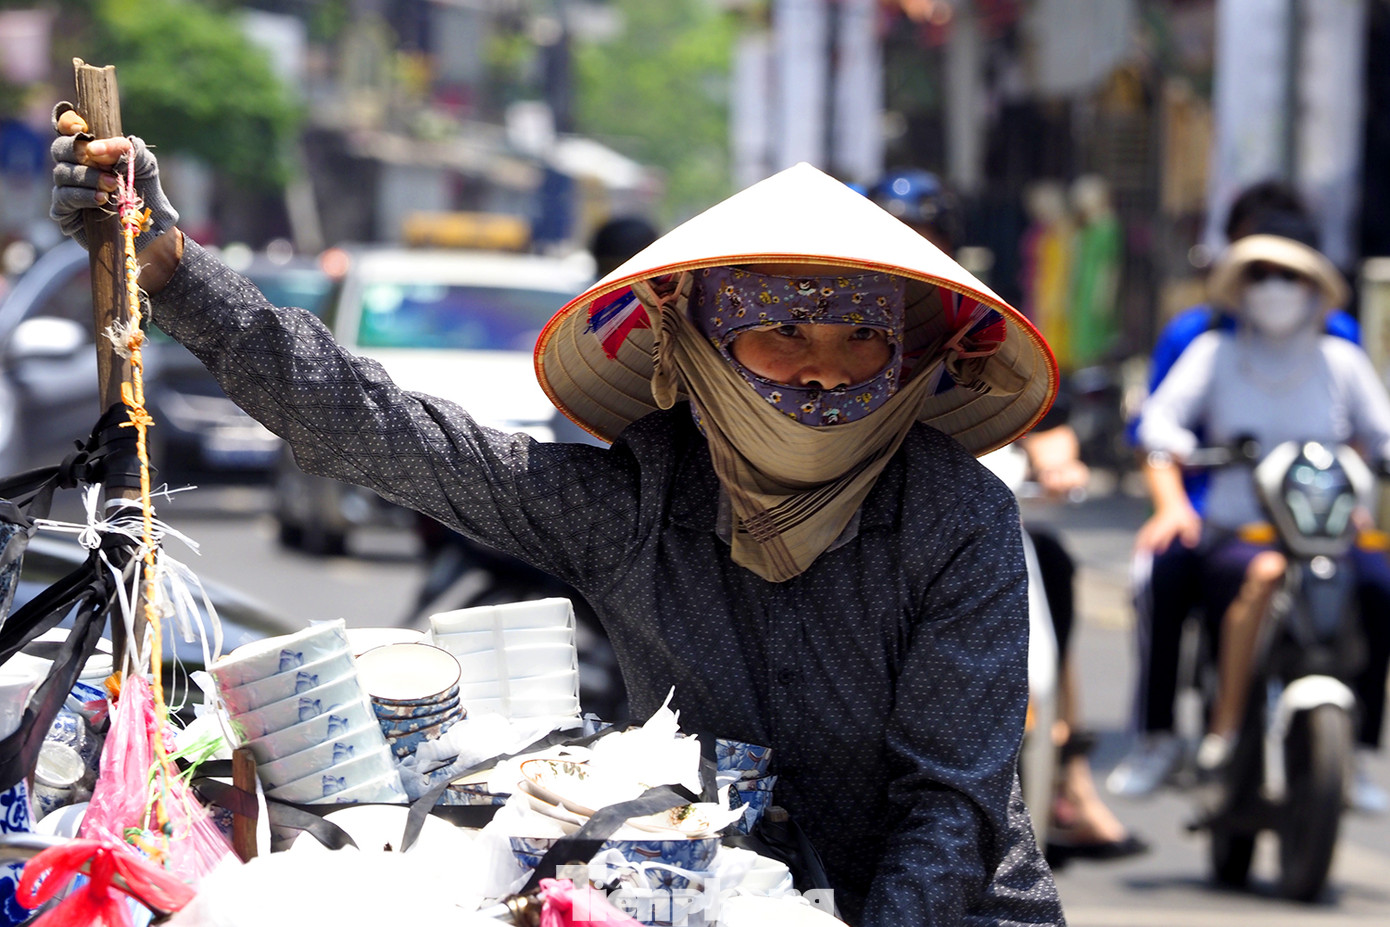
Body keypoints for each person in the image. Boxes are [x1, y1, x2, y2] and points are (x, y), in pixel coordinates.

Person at [52, 115, 1064, 926]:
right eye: (781, 332)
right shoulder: (633, 504)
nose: (822, 370)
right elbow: (386, 435)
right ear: (699, 344)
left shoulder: (956, 517)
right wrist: (179, 276)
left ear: (901, 357)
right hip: (714, 898)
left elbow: (949, 809)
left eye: (858, 341)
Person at [870, 169, 1146, 865]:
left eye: (926, 235)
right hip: (857, 514)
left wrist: (1059, 457)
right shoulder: (832, 311)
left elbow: (1039, 413)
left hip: (963, 512)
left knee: (1047, 560)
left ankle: (1067, 770)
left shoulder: (980, 325)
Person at [1109, 184, 1380, 807]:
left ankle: (1361, 749)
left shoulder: (1339, 349)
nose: (1276, 287)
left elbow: (1372, 431)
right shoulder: (1206, 343)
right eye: (1262, 271)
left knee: (1379, 583)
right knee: (1162, 573)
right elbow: (1157, 429)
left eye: (1290, 271)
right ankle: (1173, 734)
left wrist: (1355, 487)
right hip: (1228, 521)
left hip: (1325, 526)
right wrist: (1174, 504)